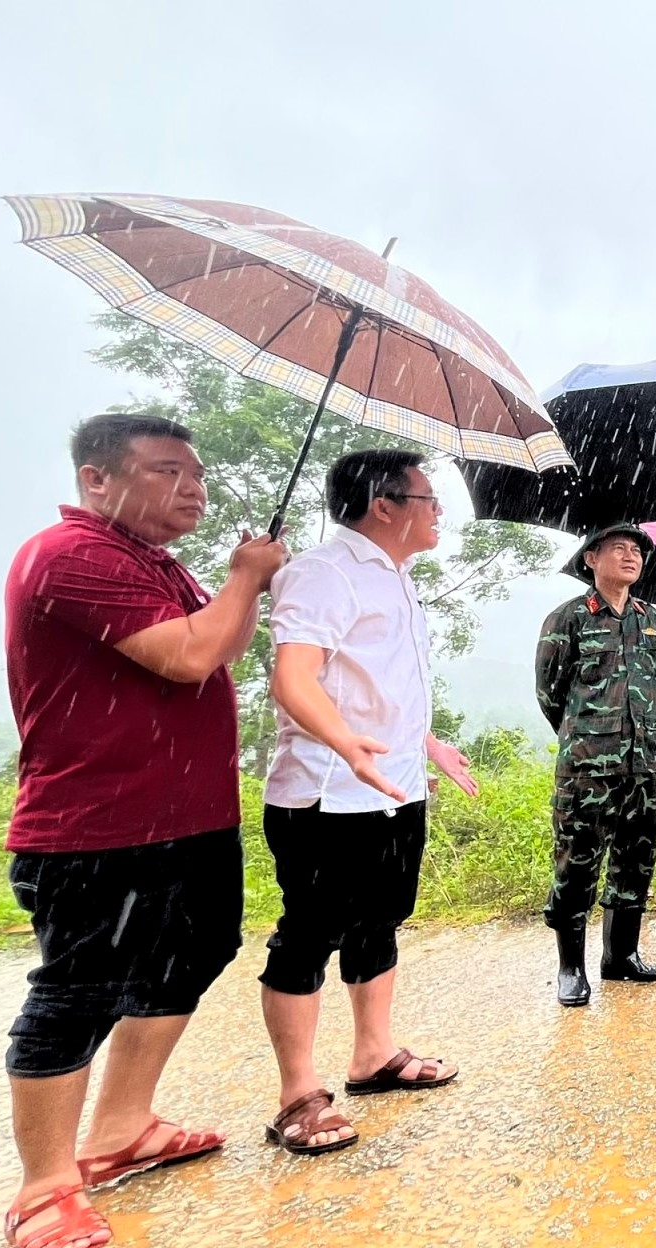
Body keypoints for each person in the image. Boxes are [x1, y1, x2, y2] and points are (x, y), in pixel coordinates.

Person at [0, 413, 286, 1248]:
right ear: (98, 478)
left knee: (190, 955)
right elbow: (191, 656)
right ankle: (44, 1187)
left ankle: (123, 1128)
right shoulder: (72, 556)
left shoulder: (153, 563)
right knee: (78, 990)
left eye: (195, 473)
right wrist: (244, 573)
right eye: (168, 471)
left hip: (188, 816)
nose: (193, 487)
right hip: (96, 825)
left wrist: (242, 587)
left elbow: (223, 646)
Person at [258, 450, 476, 1157]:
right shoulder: (323, 573)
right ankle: (297, 1095)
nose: (437, 509)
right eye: (426, 496)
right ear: (383, 506)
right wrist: (348, 745)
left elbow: (376, 684)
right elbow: (296, 680)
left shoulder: (396, 577)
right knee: (308, 935)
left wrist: (427, 742)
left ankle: (372, 1057)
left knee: (379, 920)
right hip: (327, 795)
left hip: (392, 786)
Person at [536, 524, 656, 1006]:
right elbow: (550, 693)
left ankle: (620, 957)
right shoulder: (568, 618)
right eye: (618, 549)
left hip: (646, 764)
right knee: (577, 863)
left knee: (636, 859)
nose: (630, 557)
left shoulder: (651, 617)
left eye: (636, 551)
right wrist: (589, 736)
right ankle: (570, 968)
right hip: (588, 768)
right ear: (591, 559)